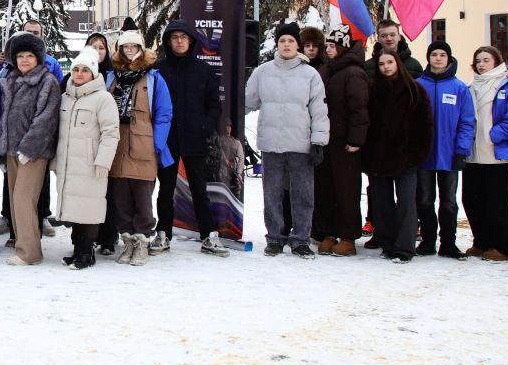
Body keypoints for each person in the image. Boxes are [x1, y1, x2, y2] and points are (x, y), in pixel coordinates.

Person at [245, 22, 330, 259]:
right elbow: (247, 101)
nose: (286, 45)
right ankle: (275, 238)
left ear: (297, 45)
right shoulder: (263, 72)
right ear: (277, 44)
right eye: (282, 40)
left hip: (301, 145)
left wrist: (318, 141)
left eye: (291, 41)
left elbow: (319, 110)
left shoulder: (310, 74)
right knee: (272, 194)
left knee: (303, 195)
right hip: (271, 143)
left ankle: (301, 239)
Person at [153, 20, 229, 257]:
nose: (179, 41)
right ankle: (163, 233)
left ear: (191, 41)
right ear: (168, 41)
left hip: (195, 138)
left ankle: (208, 235)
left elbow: (214, 105)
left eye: (183, 37)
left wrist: (205, 127)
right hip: (168, 140)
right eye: (174, 37)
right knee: (165, 189)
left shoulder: (204, 70)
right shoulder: (158, 70)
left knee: (199, 189)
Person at [107, 30, 173, 266]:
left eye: (134, 46)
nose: (130, 50)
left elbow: (164, 113)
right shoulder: (111, 76)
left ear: (141, 49)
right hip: (117, 144)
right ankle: (127, 241)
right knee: (121, 198)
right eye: (125, 47)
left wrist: (157, 143)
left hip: (144, 144)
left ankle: (142, 241)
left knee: (143, 197)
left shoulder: (154, 78)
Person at [362, 50, 433, 263]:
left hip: (406, 158)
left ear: (397, 64)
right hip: (378, 158)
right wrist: (367, 154)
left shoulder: (414, 90)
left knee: (406, 203)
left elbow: (425, 125)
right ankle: (388, 243)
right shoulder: (373, 91)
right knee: (382, 203)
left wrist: (416, 155)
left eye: (389, 62)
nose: (386, 66)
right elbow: (366, 124)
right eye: (381, 63)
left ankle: (404, 247)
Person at [0, 31, 62, 266]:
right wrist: (4, 149)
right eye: (20, 56)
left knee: (24, 199)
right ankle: (23, 244)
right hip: (12, 151)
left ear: (38, 58)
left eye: (29, 56)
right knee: (15, 201)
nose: (24, 60)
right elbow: (5, 117)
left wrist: (29, 147)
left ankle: (30, 252)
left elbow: (46, 119)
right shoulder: (10, 81)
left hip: (33, 153)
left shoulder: (47, 81)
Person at [53, 48, 120, 270]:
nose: (79, 74)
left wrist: (103, 160)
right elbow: (58, 133)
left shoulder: (103, 99)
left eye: (84, 70)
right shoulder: (65, 97)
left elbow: (111, 133)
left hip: (91, 163)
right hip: (68, 163)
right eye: (76, 69)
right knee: (73, 206)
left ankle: (87, 251)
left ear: (93, 73)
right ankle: (77, 248)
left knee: (89, 208)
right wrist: (56, 161)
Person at [312, 25, 370, 256]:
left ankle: (347, 236)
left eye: (332, 46)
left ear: (343, 47)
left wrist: (356, 139)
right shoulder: (326, 70)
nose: (327, 49)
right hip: (325, 139)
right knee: (325, 187)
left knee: (346, 189)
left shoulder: (354, 72)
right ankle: (328, 232)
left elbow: (359, 108)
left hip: (345, 142)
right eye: (326, 45)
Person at [415, 40, 475, 259]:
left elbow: (467, 122)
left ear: (449, 59)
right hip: (424, 154)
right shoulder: (418, 85)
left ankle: (448, 243)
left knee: (448, 202)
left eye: (442, 55)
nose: (438, 58)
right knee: (424, 199)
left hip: (449, 155)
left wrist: (462, 151)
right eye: (434, 55)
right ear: (428, 58)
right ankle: (428, 241)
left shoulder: (459, 88)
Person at [464, 46, 508, 262]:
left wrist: (493, 135)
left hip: (496, 155)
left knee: (497, 203)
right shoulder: (471, 87)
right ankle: (481, 241)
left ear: (496, 62)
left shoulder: (507, 87)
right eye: (478, 60)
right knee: (472, 200)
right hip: (473, 155)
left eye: (486, 60)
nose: (481, 64)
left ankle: (503, 246)